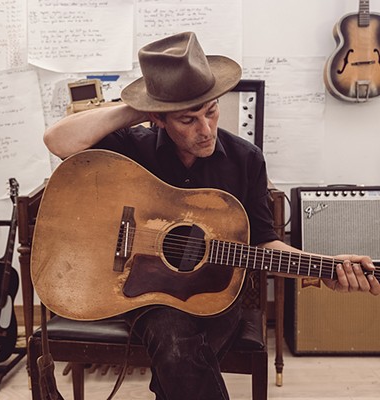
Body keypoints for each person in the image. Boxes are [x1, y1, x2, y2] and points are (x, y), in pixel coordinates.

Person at [43, 32, 380, 400]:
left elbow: (264, 244)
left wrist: (324, 266)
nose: (205, 130)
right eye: (187, 119)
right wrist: (137, 108)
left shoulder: (245, 159)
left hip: (214, 295)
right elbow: (58, 141)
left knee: (179, 352)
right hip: (141, 292)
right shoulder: (132, 146)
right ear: (158, 118)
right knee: (174, 339)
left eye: (211, 110)